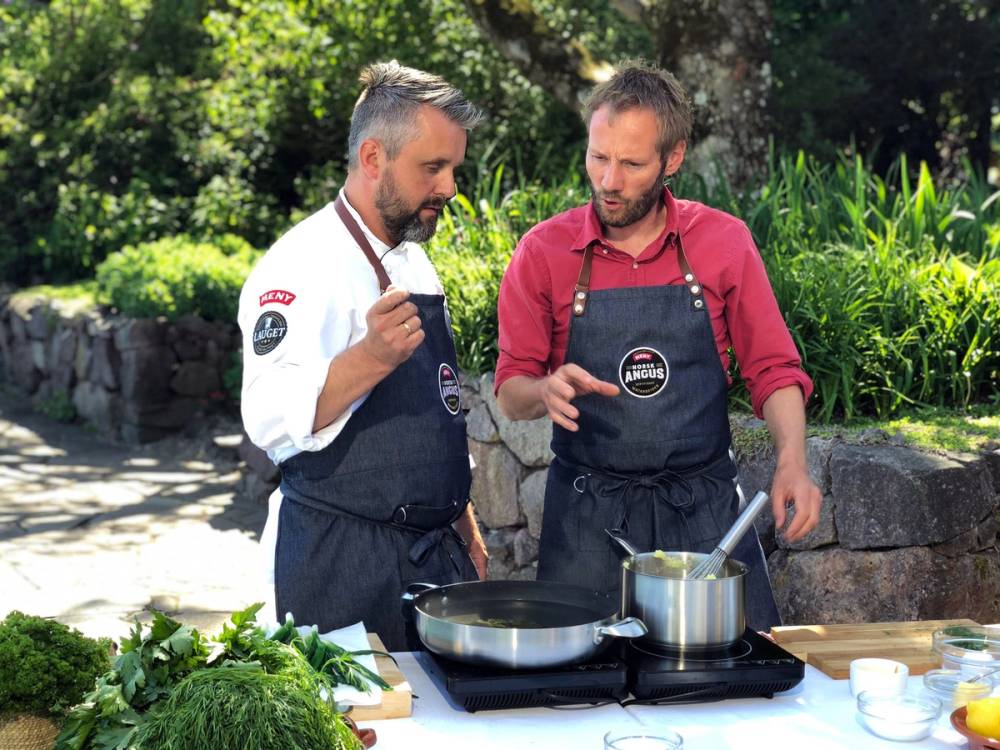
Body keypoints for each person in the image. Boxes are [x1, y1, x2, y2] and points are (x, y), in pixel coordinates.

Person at [493, 61, 822, 630]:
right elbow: (510, 392)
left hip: (703, 513)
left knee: (732, 674)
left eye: (631, 163)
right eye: (598, 157)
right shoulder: (542, 252)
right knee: (582, 681)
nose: (609, 181)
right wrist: (543, 390)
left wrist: (793, 460)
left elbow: (772, 368)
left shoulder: (723, 242)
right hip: (587, 521)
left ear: (673, 159)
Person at [238, 61, 488, 651]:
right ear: (374, 158)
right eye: (433, 167)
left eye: (453, 168)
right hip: (339, 566)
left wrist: (465, 527)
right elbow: (267, 415)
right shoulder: (299, 265)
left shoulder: (413, 260)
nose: (450, 188)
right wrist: (372, 357)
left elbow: (438, 410)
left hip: (433, 560)